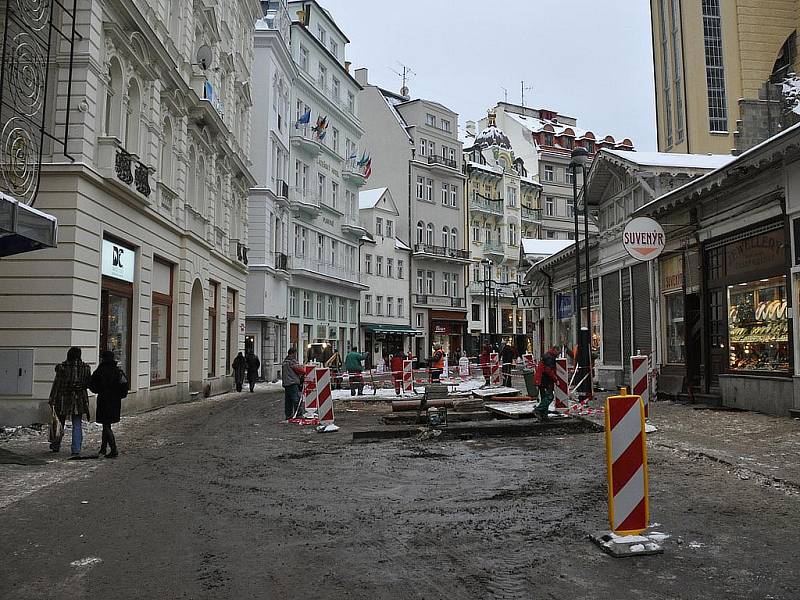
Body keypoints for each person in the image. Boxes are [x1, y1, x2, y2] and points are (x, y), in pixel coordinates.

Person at [48, 346, 91, 458]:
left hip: (63, 399)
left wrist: (52, 398)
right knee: (77, 424)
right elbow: (88, 383)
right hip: (79, 400)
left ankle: (56, 445)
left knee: (59, 422)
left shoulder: (62, 367)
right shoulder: (85, 368)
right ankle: (76, 449)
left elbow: (57, 384)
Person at [89, 350, 129, 458]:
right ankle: (103, 448)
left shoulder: (101, 370)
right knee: (107, 424)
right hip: (115, 401)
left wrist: (98, 390)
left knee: (106, 425)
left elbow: (92, 384)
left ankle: (114, 449)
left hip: (104, 400)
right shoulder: (117, 370)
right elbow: (125, 385)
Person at [534, 347, 559, 421]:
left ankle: (544, 416)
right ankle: (538, 410)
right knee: (549, 397)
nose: (558, 354)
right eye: (558, 352)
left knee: (544, 397)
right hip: (545, 380)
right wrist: (555, 379)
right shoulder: (550, 358)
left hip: (541, 380)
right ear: (555, 350)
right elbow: (549, 370)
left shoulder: (547, 356)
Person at [281, 348, 306, 419]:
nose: (296, 355)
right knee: (296, 399)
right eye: (295, 353)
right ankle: (298, 414)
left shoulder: (285, 361)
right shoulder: (292, 361)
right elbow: (301, 370)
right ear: (293, 353)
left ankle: (288, 415)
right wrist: (305, 370)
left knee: (288, 400)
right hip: (292, 383)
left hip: (286, 383)